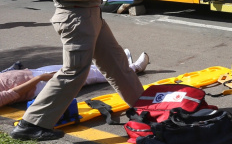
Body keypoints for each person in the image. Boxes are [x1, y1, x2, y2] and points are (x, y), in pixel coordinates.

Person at [10, 0, 145, 141]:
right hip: (77, 19)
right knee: (74, 72)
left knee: (116, 62)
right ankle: (31, 124)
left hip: (91, 16)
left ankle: (145, 108)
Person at [0, 54, 149, 108]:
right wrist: (39, 78)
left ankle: (122, 64)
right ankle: (134, 68)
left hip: (28, 74)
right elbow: (12, 94)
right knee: (87, 75)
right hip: (36, 84)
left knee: (80, 67)